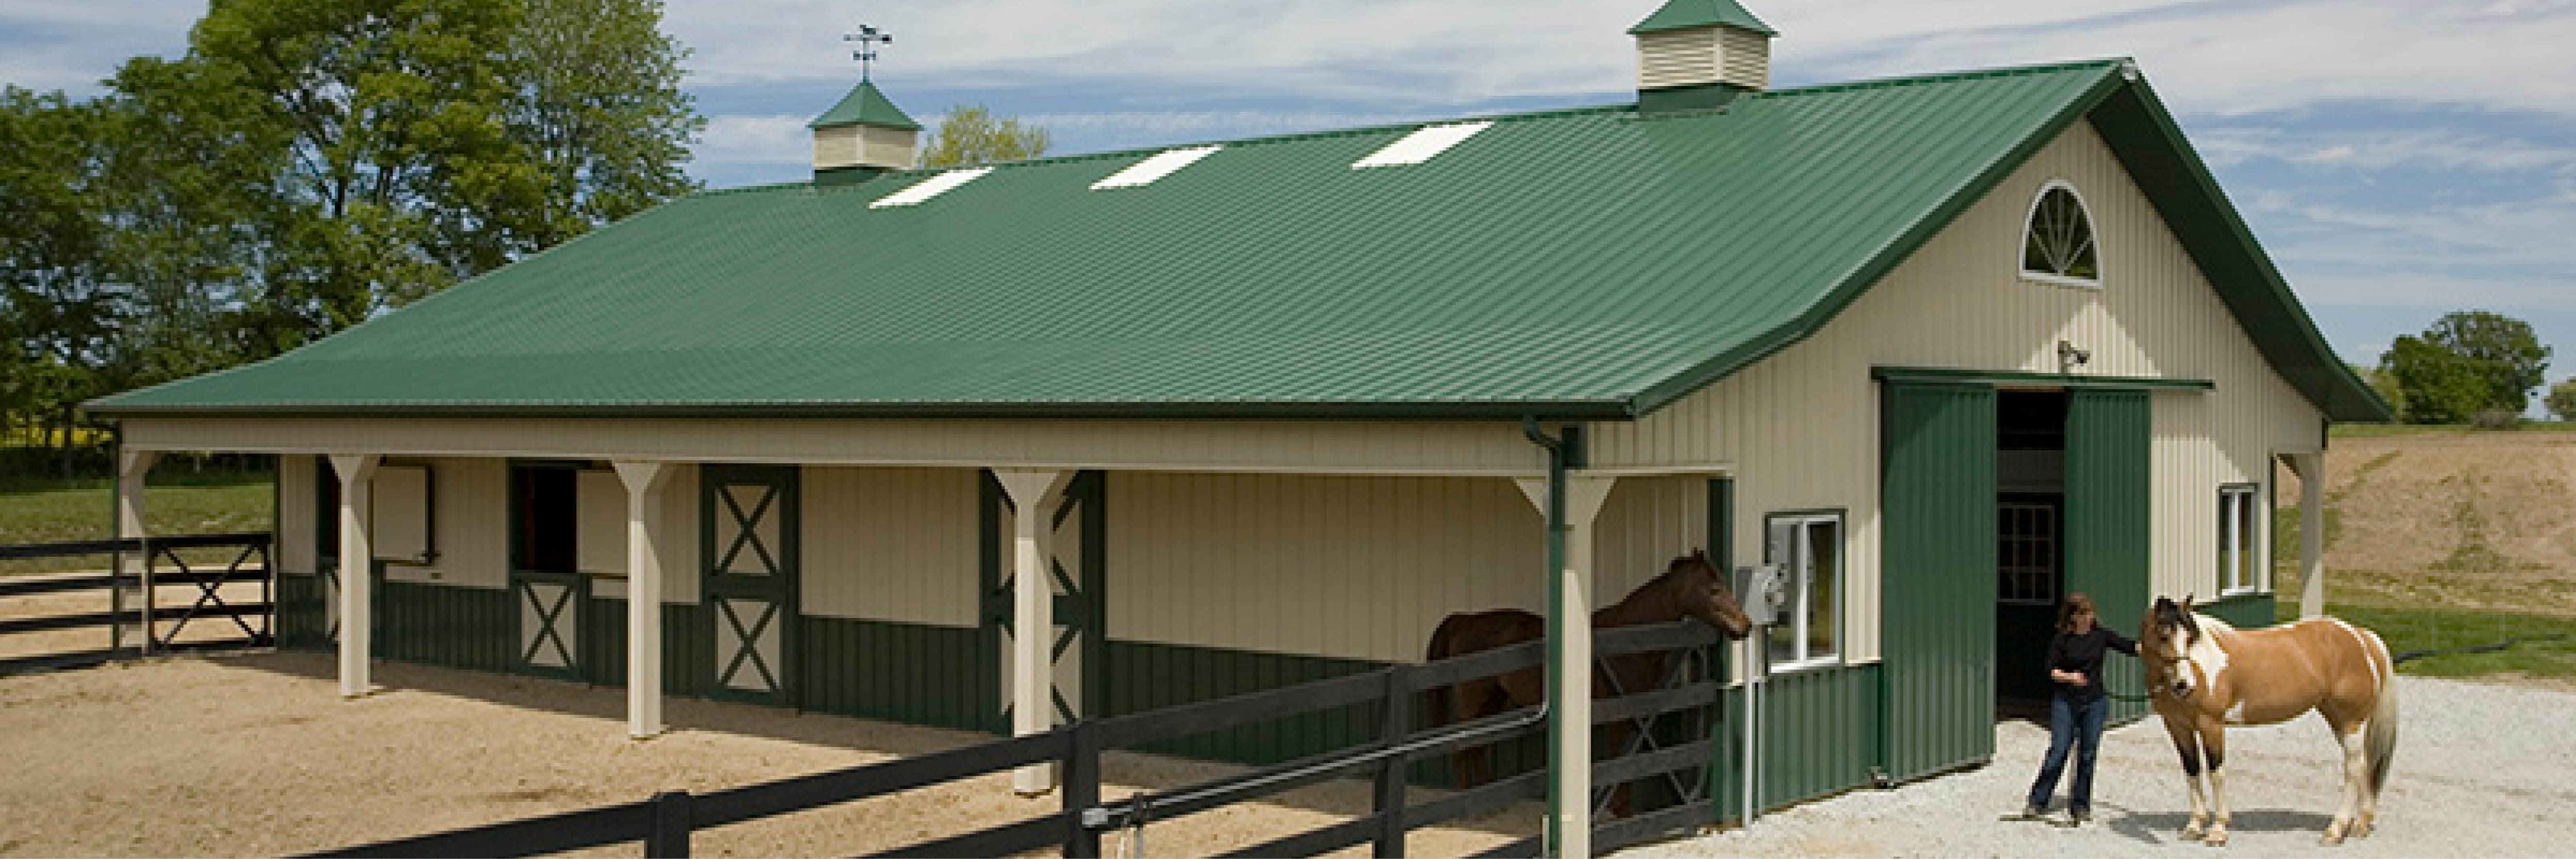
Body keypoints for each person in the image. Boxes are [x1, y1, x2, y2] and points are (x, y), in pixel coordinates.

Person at [2020, 592, 2136, 825]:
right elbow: (2052, 671)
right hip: (2066, 700)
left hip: (2095, 702)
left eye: (2090, 613)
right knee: (2059, 750)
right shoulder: (2062, 641)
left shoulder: (2102, 636)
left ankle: (2081, 805)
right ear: (2072, 617)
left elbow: (2131, 647)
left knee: (2087, 754)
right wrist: (2070, 677)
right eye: (2082, 614)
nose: (2087, 618)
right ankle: (2038, 801)